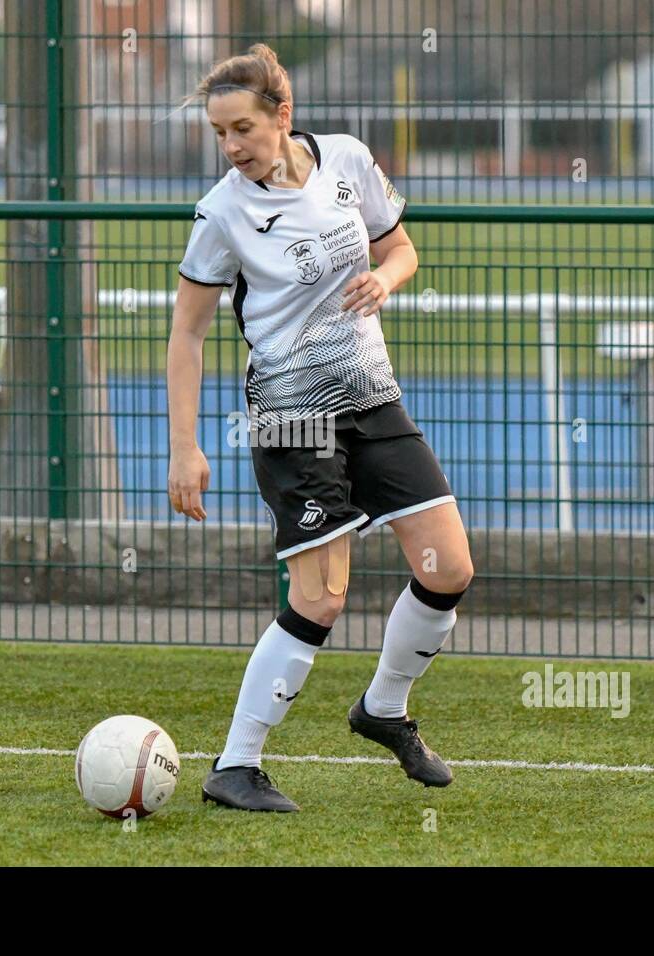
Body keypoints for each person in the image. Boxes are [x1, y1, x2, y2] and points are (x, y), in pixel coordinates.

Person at [166, 43, 473, 812]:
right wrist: (185, 446)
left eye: (243, 128)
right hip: (293, 414)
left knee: (448, 569)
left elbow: (401, 248)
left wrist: (385, 277)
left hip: (372, 397)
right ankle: (235, 766)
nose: (232, 146)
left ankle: (383, 709)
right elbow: (188, 333)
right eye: (219, 133)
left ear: (283, 115)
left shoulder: (347, 160)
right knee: (322, 597)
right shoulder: (221, 213)